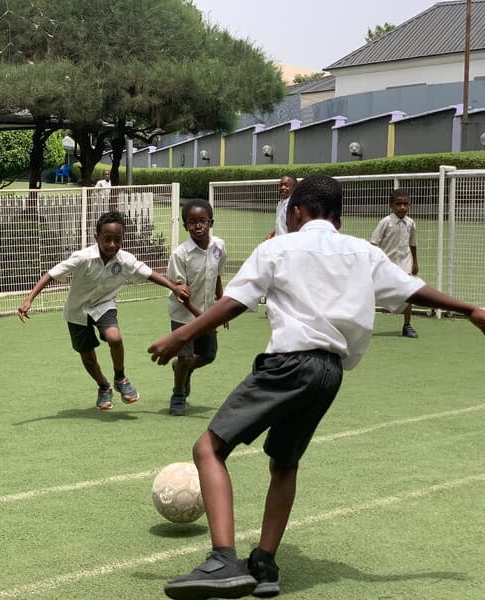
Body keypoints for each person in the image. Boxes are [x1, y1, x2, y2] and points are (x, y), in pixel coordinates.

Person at [148, 175, 485, 600]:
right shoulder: (363, 251)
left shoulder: (278, 246)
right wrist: (471, 308)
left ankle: (222, 560)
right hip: (329, 373)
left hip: (289, 363)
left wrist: (180, 337)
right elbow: (413, 290)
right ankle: (264, 564)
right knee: (284, 463)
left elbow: (235, 301)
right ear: (339, 219)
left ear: (295, 212)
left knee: (208, 449)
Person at [18, 211, 189, 410]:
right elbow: (51, 274)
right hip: (77, 311)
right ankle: (104, 387)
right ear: (96, 237)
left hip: (104, 305)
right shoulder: (82, 258)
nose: (112, 245)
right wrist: (29, 299)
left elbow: (149, 273)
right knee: (88, 358)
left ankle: (121, 378)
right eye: (107, 239)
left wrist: (174, 287)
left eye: (117, 240)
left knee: (115, 338)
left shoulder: (125, 260)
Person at [166, 199, 228, 416]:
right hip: (183, 314)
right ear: (185, 226)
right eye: (192, 222)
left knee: (208, 355)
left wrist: (222, 305)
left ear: (211, 222)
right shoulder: (180, 254)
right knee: (184, 356)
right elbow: (181, 294)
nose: (198, 226)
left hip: (208, 311)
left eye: (202, 220)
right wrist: (203, 319)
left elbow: (217, 274)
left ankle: (182, 370)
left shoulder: (218, 246)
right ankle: (178, 394)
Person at [371, 189, 420, 338]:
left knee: (409, 293)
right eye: (399, 204)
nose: (402, 207)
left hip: (404, 264)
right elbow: (374, 243)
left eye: (406, 204)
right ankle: (363, 324)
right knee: (371, 294)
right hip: (386, 265)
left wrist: (415, 262)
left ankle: (407, 325)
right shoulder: (385, 222)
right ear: (391, 205)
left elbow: (413, 243)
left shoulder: (411, 223)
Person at [265, 175, 297, 240]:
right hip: (279, 243)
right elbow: (282, 225)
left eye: (286, 185)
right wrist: (273, 234)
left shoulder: (293, 205)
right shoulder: (280, 203)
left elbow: (295, 229)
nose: (283, 187)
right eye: (281, 185)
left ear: (294, 188)